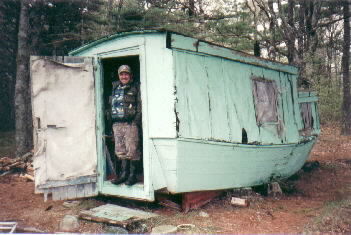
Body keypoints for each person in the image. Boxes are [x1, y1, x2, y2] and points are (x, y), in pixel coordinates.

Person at [110, 65, 141, 186]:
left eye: (126, 74)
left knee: (132, 150)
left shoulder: (135, 88)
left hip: (130, 123)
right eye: (122, 74)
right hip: (117, 124)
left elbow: (140, 105)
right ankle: (124, 175)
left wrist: (135, 121)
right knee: (120, 150)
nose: (124, 76)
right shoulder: (114, 88)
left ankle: (132, 176)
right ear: (119, 76)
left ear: (130, 75)